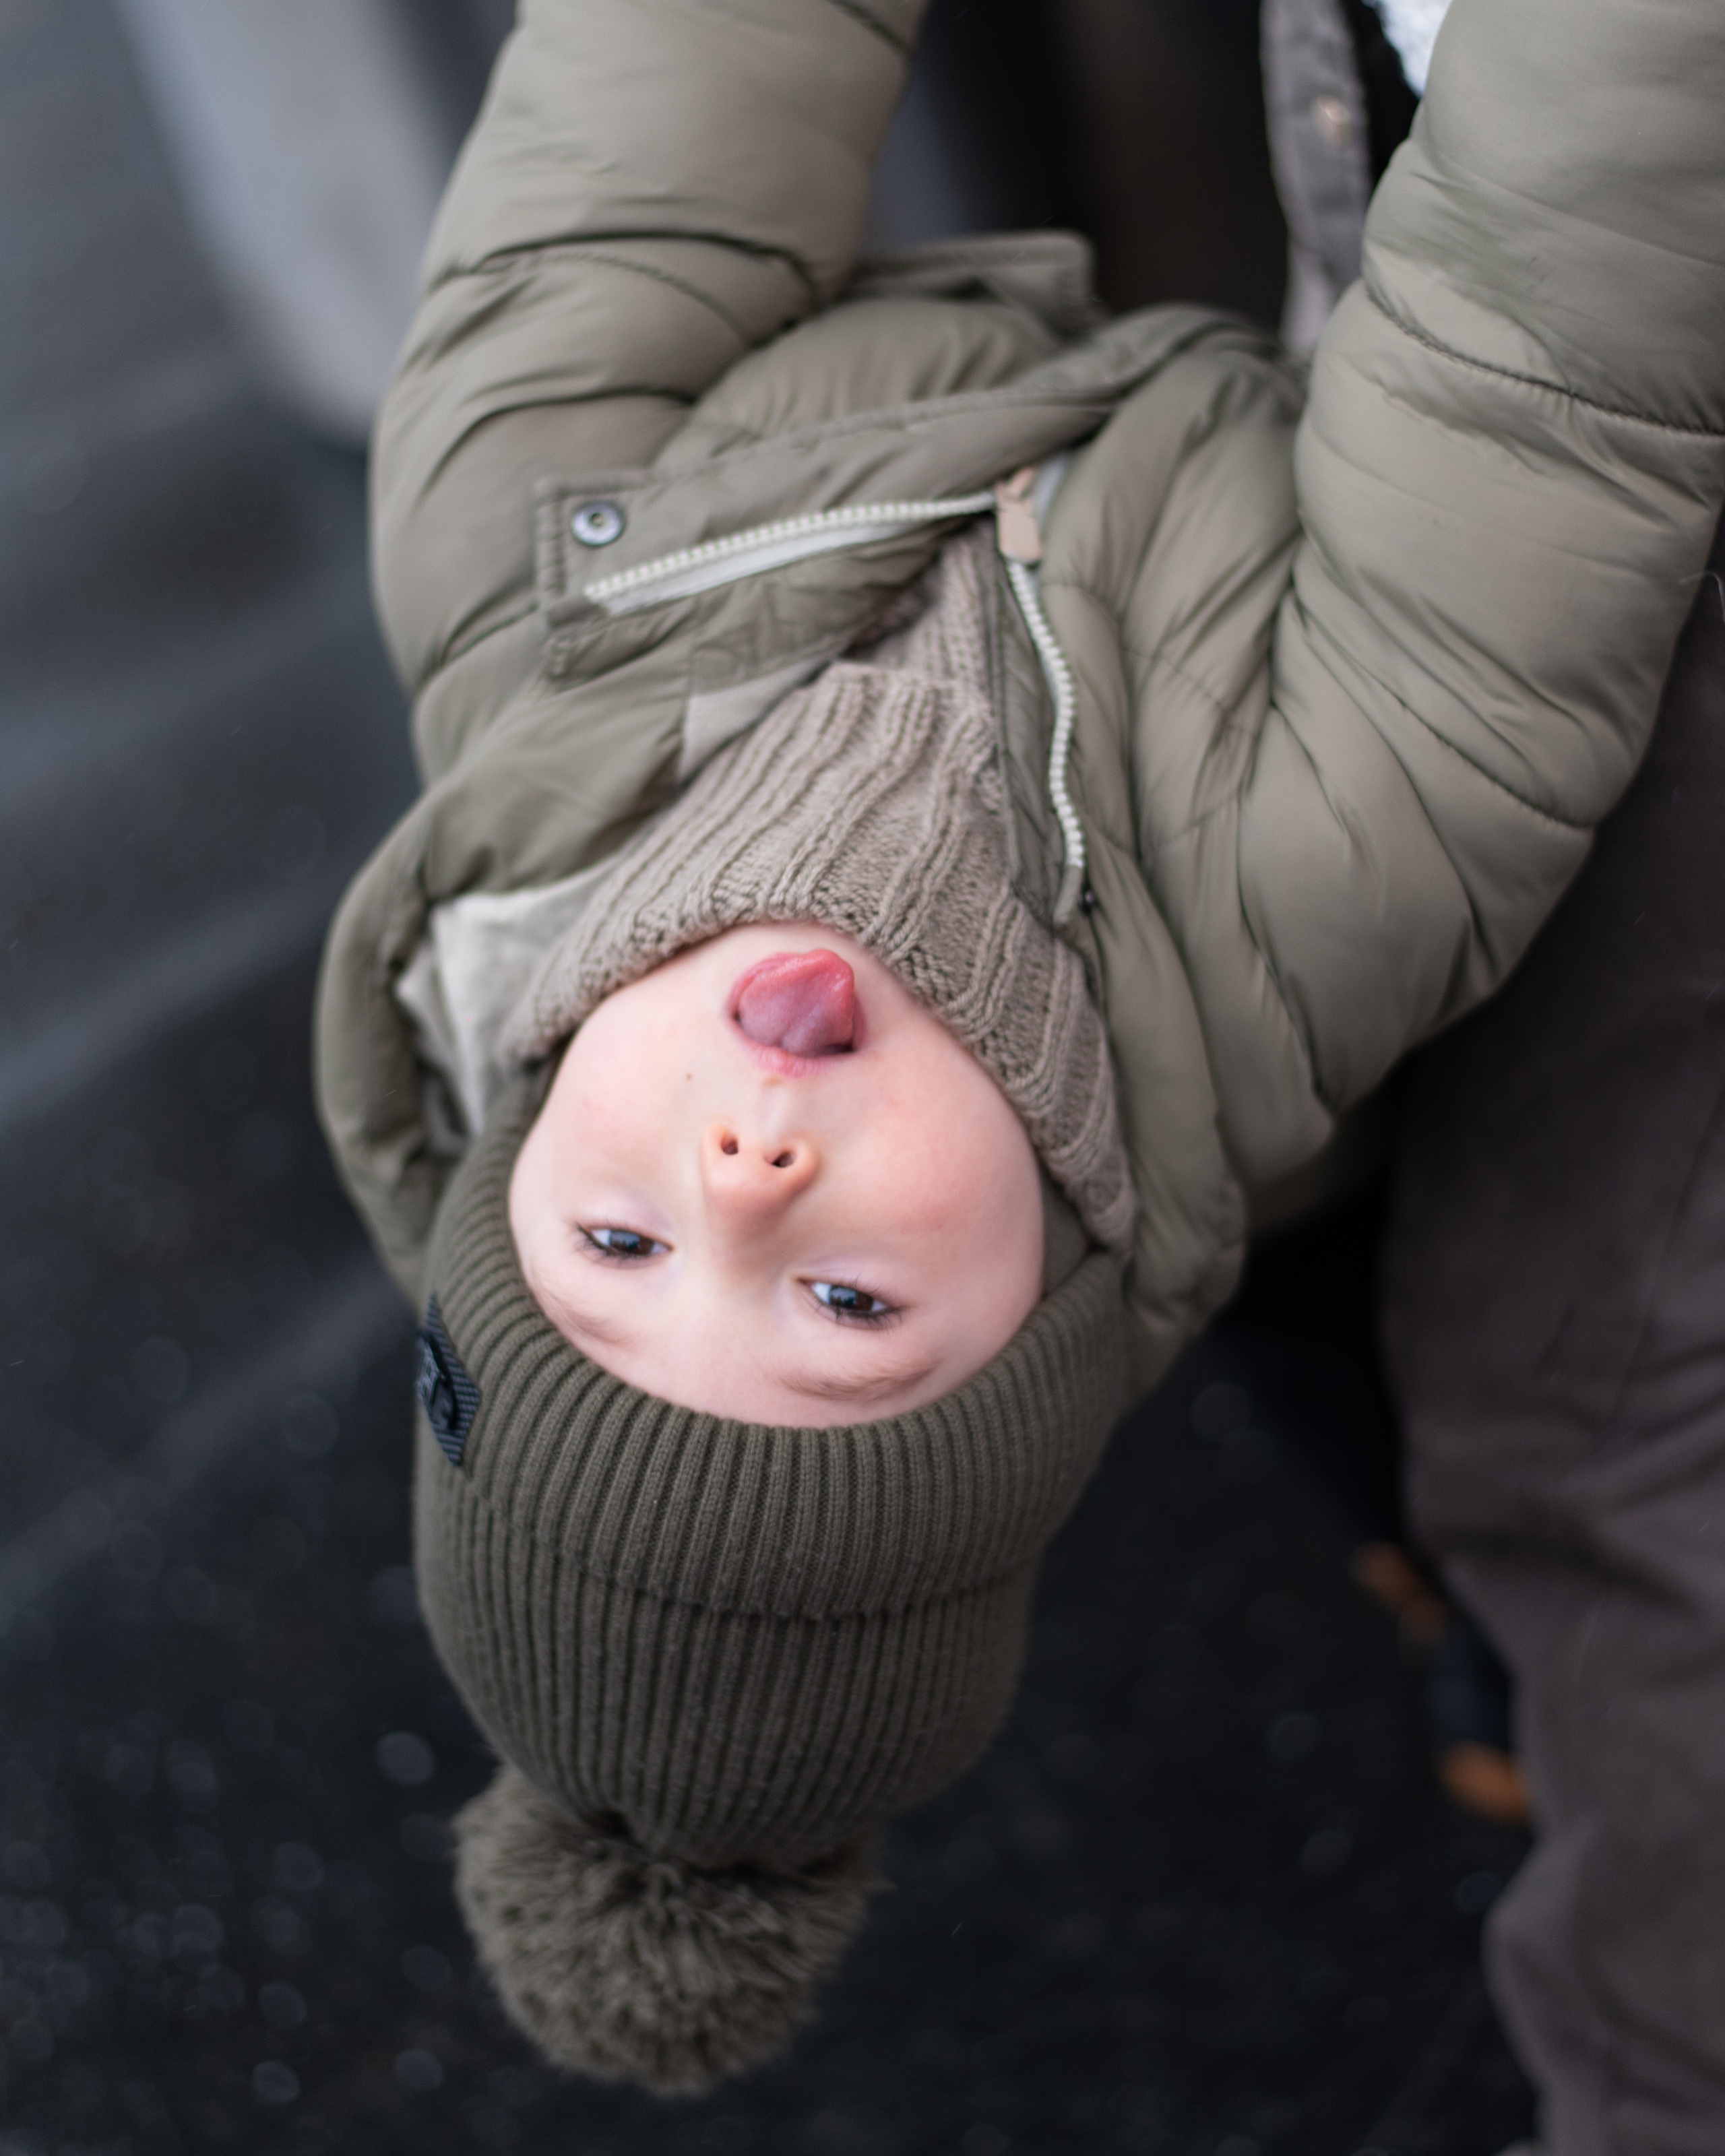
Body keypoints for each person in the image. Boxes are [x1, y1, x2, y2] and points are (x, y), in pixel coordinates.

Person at [313, 0, 1725, 2101]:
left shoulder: (522, 584)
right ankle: (1446, 1595)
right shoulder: (1332, 866)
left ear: (506, 1149)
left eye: (614, 1251)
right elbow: (1535, 356)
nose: (739, 1180)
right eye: (846, 1304)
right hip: (1223, 1060)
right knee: (1427, 1343)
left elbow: (667, 103)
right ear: (1054, 1300)